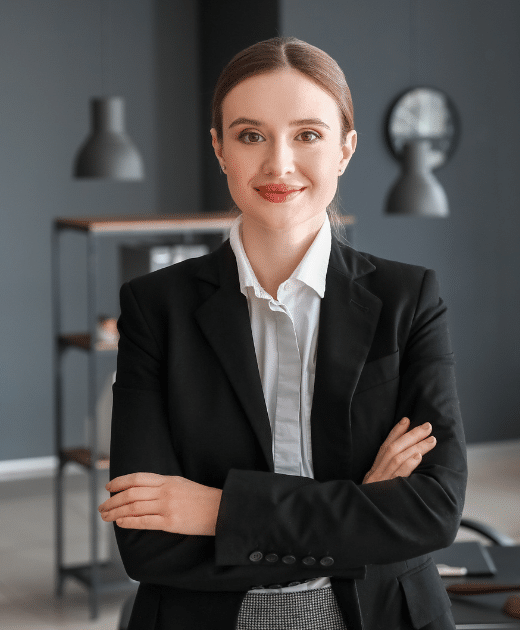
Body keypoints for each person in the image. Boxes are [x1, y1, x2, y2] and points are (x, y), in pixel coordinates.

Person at [96, 37, 467, 630]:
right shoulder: (153, 307)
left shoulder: (409, 298)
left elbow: (433, 512)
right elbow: (148, 545)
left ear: (346, 149)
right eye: (250, 135)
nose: (279, 164)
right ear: (218, 148)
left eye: (308, 135)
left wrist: (219, 511)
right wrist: (360, 506)